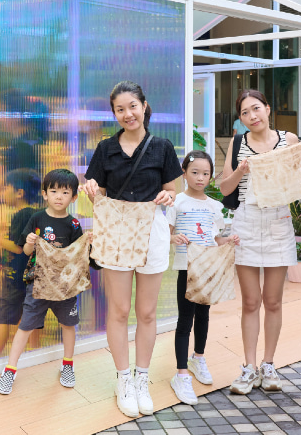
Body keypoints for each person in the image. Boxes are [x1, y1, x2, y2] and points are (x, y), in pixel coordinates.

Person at [82, 81, 182, 418]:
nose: (128, 114)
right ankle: (122, 378)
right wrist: (91, 188)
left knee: (148, 312)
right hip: (116, 232)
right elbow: (96, 190)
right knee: (119, 310)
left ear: (144, 106)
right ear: (114, 113)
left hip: (152, 230)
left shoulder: (162, 147)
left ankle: (142, 378)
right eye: (120, 109)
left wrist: (168, 196)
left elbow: (171, 189)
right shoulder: (106, 148)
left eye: (132, 106)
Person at [217, 90, 301, 395]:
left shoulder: (290, 140)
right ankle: (248, 367)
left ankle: (268, 365)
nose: (252, 116)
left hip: (279, 221)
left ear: (268, 108)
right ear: (241, 118)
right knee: (249, 302)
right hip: (246, 221)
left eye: (256, 108)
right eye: (244, 112)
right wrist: (241, 170)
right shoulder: (238, 143)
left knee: (273, 301)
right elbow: (224, 187)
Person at [0, 169, 85, 394]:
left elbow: (78, 255)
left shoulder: (74, 225)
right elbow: (25, 251)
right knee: (25, 326)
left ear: (73, 197)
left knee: (68, 325)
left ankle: (68, 365)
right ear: (44, 194)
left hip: (64, 287)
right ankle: (9, 370)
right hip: (37, 284)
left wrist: (87, 243)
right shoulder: (36, 218)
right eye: (53, 191)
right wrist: (29, 242)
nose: (58, 196)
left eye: (65, 192)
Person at [167, 150, 239, 405]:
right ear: (184, 173)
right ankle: (181, 373)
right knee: (185, 320)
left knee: (204, 316)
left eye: (206, 173)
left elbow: (215, 238)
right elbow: (166, 232)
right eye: (195, 172)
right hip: (187, 269)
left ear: (211, 176)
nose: (200, 178)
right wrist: (173, 237)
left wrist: (228, 241)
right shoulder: (176, 203)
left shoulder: (214, 206)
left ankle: (198, 358)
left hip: (208, 269)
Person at [0, 169, 44, 359]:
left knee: (4, 318)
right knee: (32, 315)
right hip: (33, 276)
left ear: (19, 192)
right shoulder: (36, 214)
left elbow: (18, 248)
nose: (3, 192)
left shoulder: (21, 215)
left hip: (17, 278)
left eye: (6, 188)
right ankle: (35, 353)